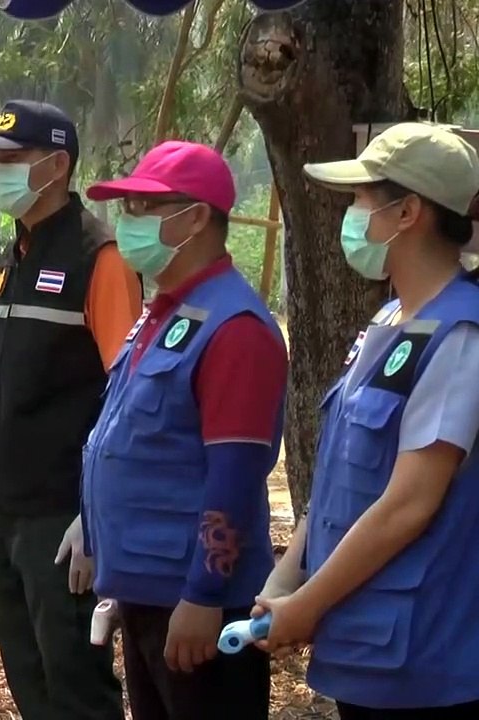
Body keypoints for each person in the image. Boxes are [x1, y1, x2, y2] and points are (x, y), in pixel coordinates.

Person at [256, 122, 479, 719]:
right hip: (364, 643)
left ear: (408, 212)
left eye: (359, 198)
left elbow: (410, 502)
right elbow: (336, 481)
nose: (349, 216)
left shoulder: (461, 334)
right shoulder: (385, 323)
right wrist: (287, 578)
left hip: (422, 660)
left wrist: (306, 605)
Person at [79, 141, 287, 720]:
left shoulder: (235, 327)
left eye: (145, 209)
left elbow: (235, 477)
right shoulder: (163, 312)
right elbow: (131, 439)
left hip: (194, 604)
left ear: (195, 217)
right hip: (147, 592)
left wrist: (204, 594)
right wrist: (90, 524)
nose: (128, 224)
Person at [0, 99, 139, 719]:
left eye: (12, 160)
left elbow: (128, 397)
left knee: (75, 690)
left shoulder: (100, 258)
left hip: (62, 524)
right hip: (6, 517)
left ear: (56, 165)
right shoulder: (7, 267)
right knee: (30, 687)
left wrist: (95, 514)